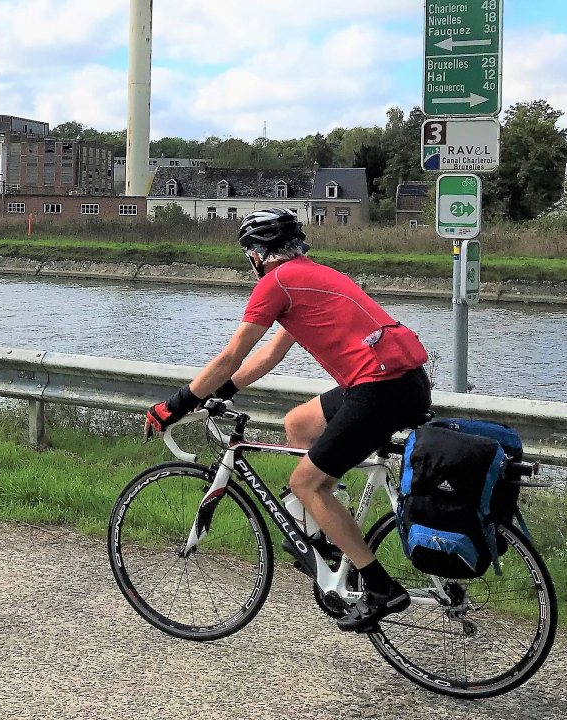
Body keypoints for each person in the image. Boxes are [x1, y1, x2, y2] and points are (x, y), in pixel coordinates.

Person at [143, 209, 432, 632]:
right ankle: (324, 537)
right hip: (398, 381)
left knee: (304, 483)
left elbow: (230, 356)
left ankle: (381, 587)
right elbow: (268, 356)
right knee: (298, 423)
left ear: (257, 254)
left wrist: (174, 405)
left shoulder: (275, 284)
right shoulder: (309, 276)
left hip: (380, 389)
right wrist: (223, 392)